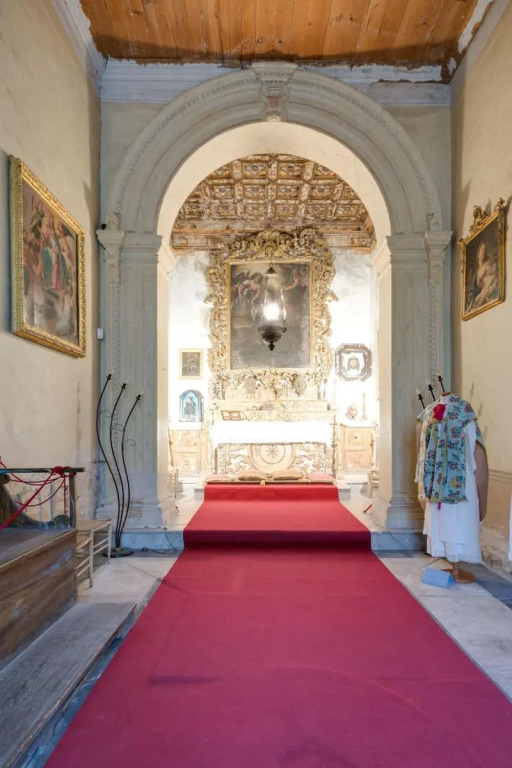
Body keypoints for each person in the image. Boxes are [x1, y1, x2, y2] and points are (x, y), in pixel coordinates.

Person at [466, 240, 499, 312]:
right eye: (482, 250)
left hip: (488, 291)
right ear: (478, 254)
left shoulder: (489, 265)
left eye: (485, 250)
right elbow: (474, 289)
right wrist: (471, 293)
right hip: (480, 295)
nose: (484, 252)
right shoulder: (476, 273)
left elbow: (493, 279)